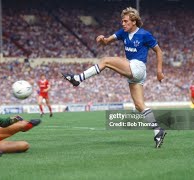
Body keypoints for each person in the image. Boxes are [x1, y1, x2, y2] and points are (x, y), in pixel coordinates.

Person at [62, 7, 166, 148]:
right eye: (122, 21)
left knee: (106, 60)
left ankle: (78, 79)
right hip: (133, 72)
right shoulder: (123, 33)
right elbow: (107, 42)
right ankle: (158, 130)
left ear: (134, 21)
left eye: (125, 21)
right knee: (139, 106)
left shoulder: (144, 34)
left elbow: (158, 51)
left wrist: (159, 71)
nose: (123, 24)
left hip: (138, 67)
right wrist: (102, 39)